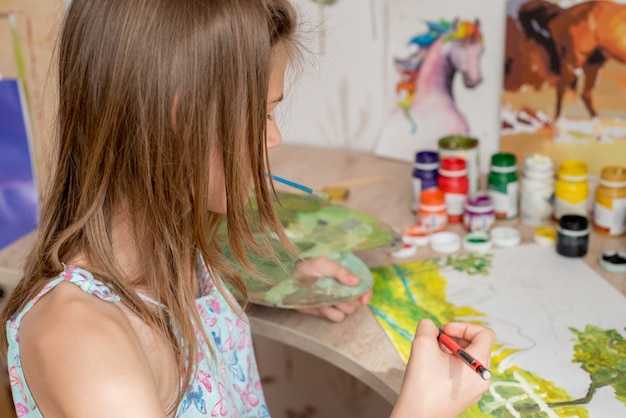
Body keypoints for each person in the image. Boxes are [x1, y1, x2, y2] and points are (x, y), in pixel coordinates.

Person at [0, 0, 495, 417]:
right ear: (179, 119)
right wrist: (421, 409)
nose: (273, 137)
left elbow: (196, 313)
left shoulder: (175, 248)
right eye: (260, 114)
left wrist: (282, 281)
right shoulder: (87, 352)